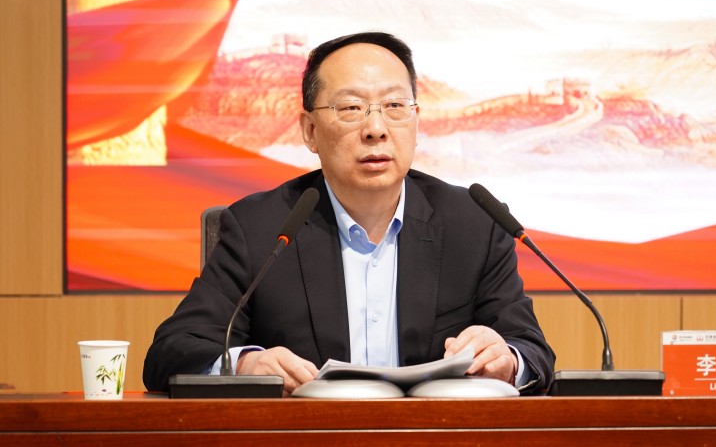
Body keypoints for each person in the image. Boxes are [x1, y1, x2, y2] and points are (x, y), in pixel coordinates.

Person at [143, 32, 555, 396]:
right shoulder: (261, 228)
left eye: (394, 105)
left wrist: (507, 360)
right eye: (352, 108)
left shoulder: (473, 224)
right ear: (310, 131)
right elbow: (171, 352)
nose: (376, 129)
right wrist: (245, 365)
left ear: (415, 121)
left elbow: (532, 351)